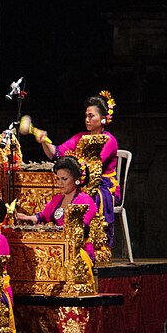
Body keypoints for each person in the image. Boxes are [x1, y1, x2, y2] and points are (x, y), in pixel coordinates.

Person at [37, 91, 120, 242]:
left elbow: (93, 167)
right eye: (86, 116)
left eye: (91, 116)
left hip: (102, 185)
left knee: (86, 195)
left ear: (103, 119)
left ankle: (88, 240)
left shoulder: (109, 140)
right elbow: (56, 154)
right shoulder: (80, 137)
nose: (87, 120)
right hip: (79, 179)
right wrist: (44, 141)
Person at [15, 157, 98, 257]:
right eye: (58, 179)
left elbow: (80, 229)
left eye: (64, 179)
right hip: (58, 248)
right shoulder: (57, 199)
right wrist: (27, 218)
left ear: (76, 179)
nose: (60, 183)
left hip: (78, 250)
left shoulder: (85, 201)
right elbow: (41, 217)